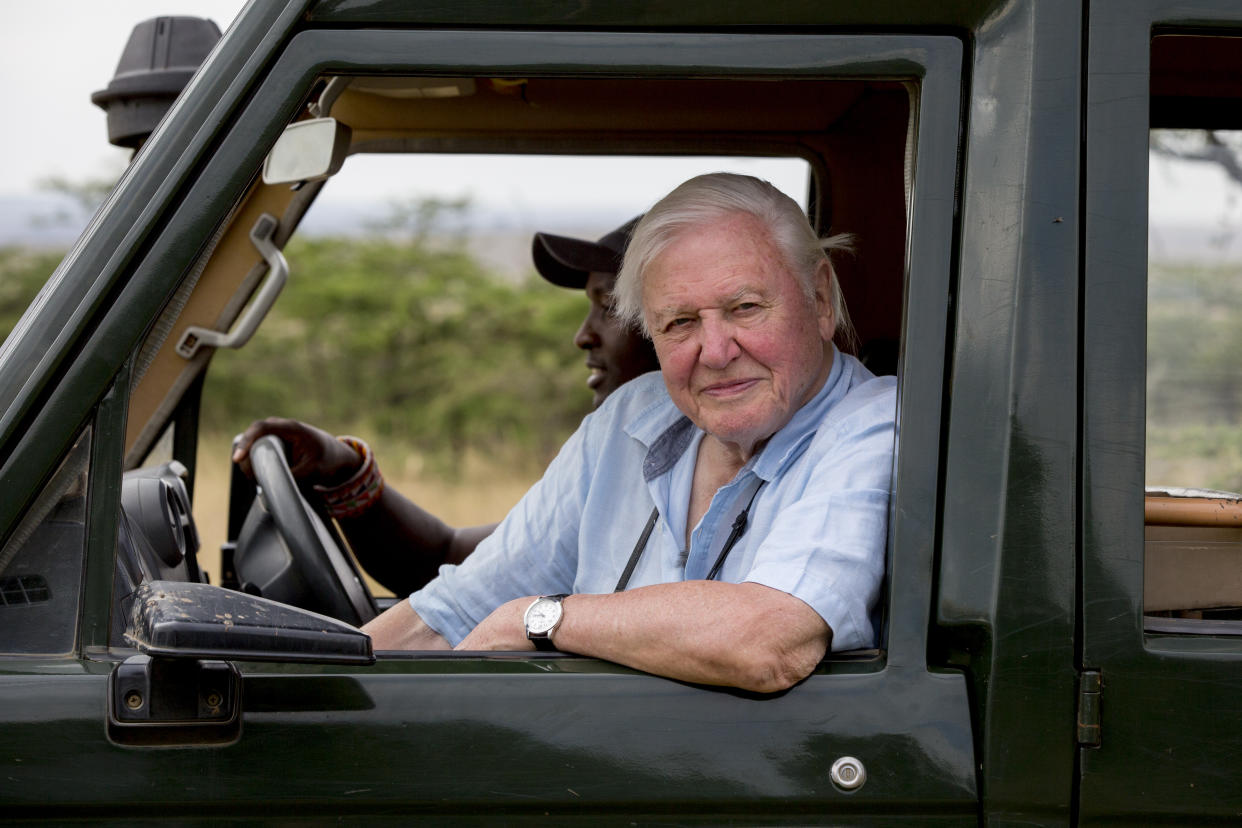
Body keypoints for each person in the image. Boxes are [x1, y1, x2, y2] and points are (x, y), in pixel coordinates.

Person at [362, 173, 897, 694]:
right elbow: (453, 613)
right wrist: (311, 693)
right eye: (680, 322)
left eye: (745, 308)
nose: (715, 352)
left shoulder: (875, 425)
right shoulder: (632, 415)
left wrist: (539, 619)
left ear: (821, 299)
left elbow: (767, 641)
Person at [234, 219, 659, 595]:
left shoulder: (693, 496)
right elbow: (450, 560)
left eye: (608, 307)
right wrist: (345, 470)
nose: (582, 335)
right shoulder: (611, 474)